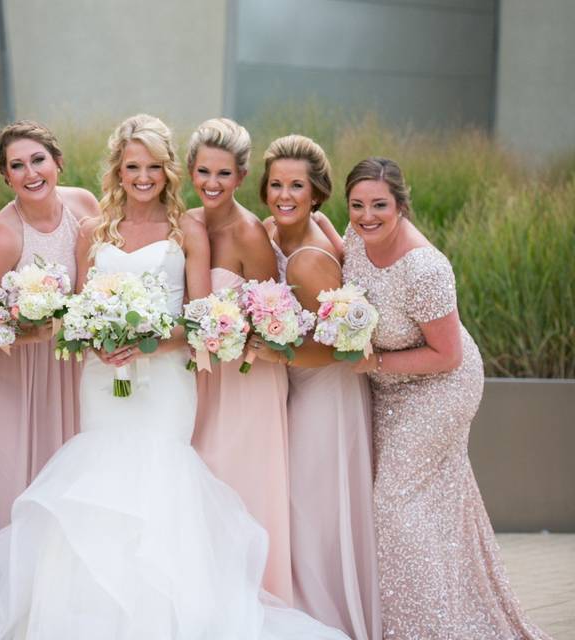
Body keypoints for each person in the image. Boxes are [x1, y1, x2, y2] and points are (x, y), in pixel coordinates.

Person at [0, 114, 349, 640]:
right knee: (99, 483)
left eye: (153, 166)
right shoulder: (92, 230)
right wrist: (96, 338)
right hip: (103, 383)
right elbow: (80, 310)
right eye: (133, 166)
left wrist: (149, 341)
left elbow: (199, 319)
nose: (143, 177)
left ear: (167, 170)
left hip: (167, 384)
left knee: (160, 485)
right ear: (118, 170)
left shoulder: (188, 229)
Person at [341, 156, 549, 639]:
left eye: (379, 205)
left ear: (401, 205)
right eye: (356, 205)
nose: (366, 215)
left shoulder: (425, 267)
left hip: (440, 388)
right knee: (432, 506)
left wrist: (374, 365)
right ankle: (455, 616)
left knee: (393, 503)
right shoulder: (355, 237)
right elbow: (334, 259)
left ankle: (425, 629)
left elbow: (448, 355)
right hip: (391, 388)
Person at [0, 120, 100, 620]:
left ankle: (69, 612)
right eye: (16, 166)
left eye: (37, 160)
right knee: (20, 488)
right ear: (6, 176)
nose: (30, 172)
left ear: (57, 162)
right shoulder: (1, 235)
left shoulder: (85, 204)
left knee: (73, 490)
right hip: (17, 380)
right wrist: (29, 329)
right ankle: (16, 613)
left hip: (72, 371)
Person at [251, 134, 380, 639]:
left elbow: (350, 349)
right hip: (299, 390)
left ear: (316, 192)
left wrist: (273, 350)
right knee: (300, 507)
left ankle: (324, 622)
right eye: (277, 184)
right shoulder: (277, 232)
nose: (285, 195)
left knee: (313, 510)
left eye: (297, 186)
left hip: (326, 393)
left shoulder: (307, 258)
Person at [185, 117, 294, 603]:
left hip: (246, 383)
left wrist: (232, 333)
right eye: (204, 172)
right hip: (198, 381)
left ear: (242, 178)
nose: (212, 183)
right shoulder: (185, 222)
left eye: (224, 174)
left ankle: (256, 602)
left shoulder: (250, 234)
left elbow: (274, 315)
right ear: (190, 171)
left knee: (238, 485)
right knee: (200, 485)